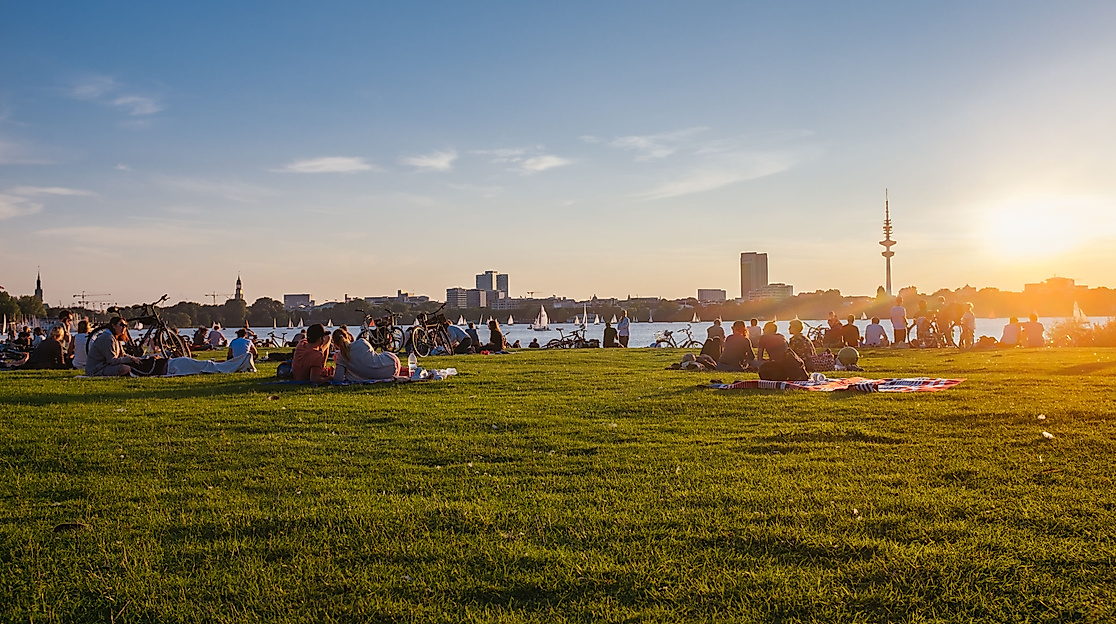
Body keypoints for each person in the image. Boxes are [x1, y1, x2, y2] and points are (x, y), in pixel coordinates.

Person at [332, 327, 400, 381]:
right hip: (392, 363)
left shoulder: (341, 357)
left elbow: (338, 379)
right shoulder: (361, 342)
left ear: (335, 344)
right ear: (348, 337)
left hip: (388, 373)